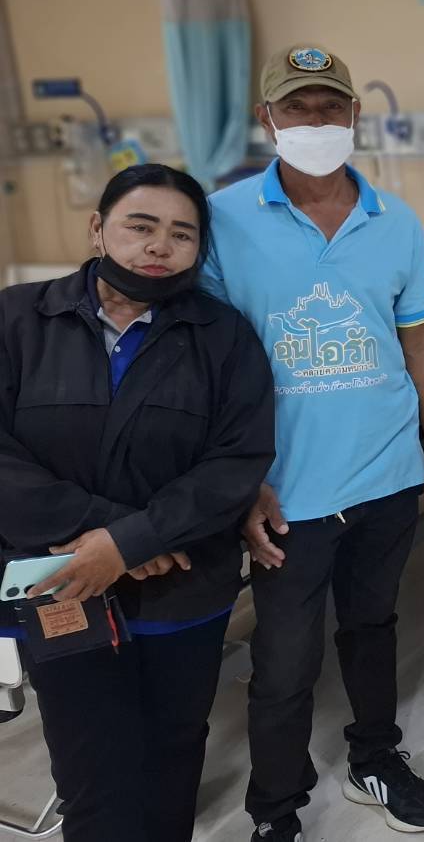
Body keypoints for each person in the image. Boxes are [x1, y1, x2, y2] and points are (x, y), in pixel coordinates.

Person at [202, 45, 424, 840]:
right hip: (286, 489)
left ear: (353, 115)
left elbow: (420, 341)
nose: (314, 121)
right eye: (297, 107)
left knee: (372, 627)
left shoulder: (395, 222)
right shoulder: (223, 220)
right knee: (283, 661)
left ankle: (375, 757)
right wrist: (239, 478)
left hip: (386, 472)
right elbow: (206, 358)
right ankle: (275, 811)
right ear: (267, 119)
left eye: (328, 106)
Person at [0, 165, 275, 842]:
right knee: (90, 766)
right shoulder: (17, 320)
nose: (159, 246)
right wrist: (114, 537)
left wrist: (129, 544)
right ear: (98, 229)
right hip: (62, 583)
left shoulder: (224, 336)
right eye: (140, 226)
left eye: (182, 234)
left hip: (183, 591)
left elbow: (236, 461)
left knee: (172, 753)